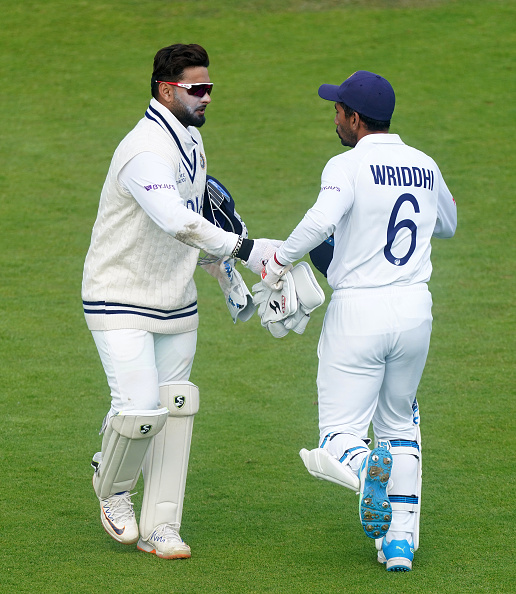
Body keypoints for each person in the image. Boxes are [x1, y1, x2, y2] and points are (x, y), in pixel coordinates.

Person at [82, 43, 277, 559]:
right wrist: (248, 250)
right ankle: (115, 490)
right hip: (119, 296)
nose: (207, 97)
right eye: (197, 89)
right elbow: (177, 219)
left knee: (174, 410)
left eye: (209, 88)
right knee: (140, 410)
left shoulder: (190, 140)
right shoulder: (145, 150)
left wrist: (227, 275)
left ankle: (161, 525)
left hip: (176, 301)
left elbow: (197, 219)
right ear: (167, 90)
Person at [260, 70, 457, 571]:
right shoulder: (425, 164)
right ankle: (398, 545)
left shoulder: (346, 165)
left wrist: (280, 260)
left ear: (354, 118)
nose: (335, 119)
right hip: (415, 311)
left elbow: (322, 220)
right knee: (400, 425)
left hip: (360, 312)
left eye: (338, 111)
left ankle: (368, 468)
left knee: (340, 437)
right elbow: (448, 224)